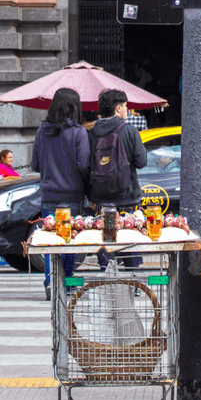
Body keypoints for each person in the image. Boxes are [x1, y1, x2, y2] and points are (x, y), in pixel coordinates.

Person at [31, 88, 91, 296]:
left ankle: (50, 281)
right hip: (72, 194)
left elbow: (35, 164)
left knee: (50, 237)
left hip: (49, 193)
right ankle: (67, 278)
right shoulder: (78, 132)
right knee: (69, 238)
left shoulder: (41, 131)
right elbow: (84, 164)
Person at [88, 89, 148, 268]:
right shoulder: (129, 131)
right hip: (127, 196)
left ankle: (107, 280)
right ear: (118, 108)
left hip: (102, 198)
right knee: (129, 238)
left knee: (106, 240)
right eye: (126, 107)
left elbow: (86, 165)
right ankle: (133, 281)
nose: (127, 110)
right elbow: (142, 161)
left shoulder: (92, 133)